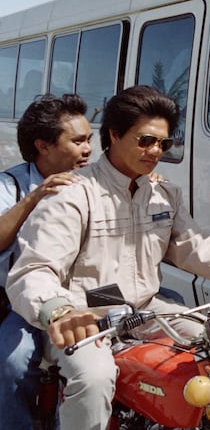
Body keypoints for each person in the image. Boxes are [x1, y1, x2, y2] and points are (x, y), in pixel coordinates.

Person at [6, 86, 210, 430]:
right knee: (94, 378)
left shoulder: (163, 193)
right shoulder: (73, 193)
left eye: (164, 143)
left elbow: (194, 246)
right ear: (114, 134)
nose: (155, 151)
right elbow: (35, 268)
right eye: (145, 140)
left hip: (145, 308)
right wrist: (60, 312)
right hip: (86, 319)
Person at [0, 94, 93, 430]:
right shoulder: (11, 185)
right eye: (78, 141)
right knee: (12, 362)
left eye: (90, 139)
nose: (88, 149)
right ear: (43, 146)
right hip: (23, 301)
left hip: (83, 293)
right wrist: (35, 198)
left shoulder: (95, 180)